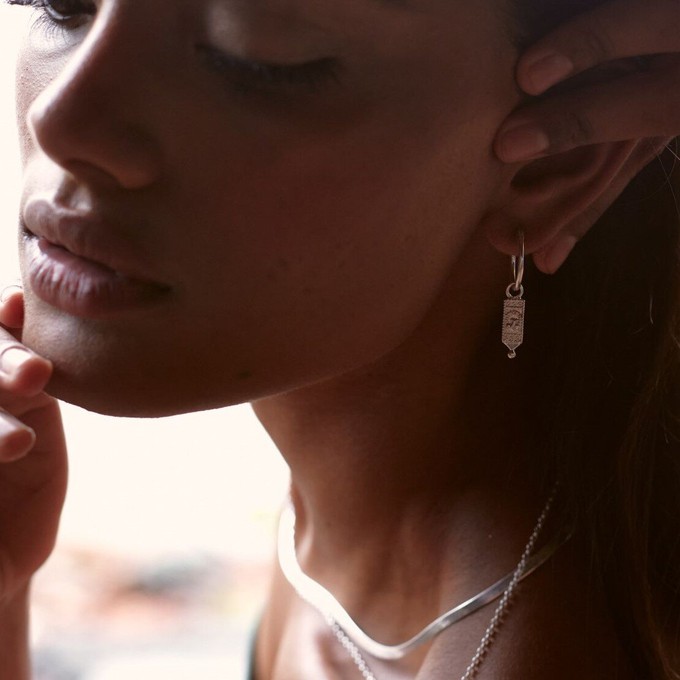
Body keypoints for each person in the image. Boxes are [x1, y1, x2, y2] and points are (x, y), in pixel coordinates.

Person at [0, 0, 679, 678]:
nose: (61, 119)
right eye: (61, 6)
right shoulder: (356, 526)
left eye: (260, 58)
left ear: (556, 165)